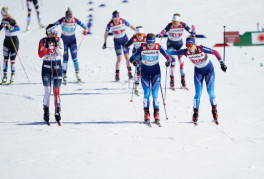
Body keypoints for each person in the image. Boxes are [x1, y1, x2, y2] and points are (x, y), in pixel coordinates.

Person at [166, 36, 227, 125]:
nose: (189, 47)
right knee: (198, 93)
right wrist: (161, 50)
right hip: (198, 72)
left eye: (190, 45)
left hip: (209, 71)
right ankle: (195, 114)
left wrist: (221, 63)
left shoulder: (201, 48)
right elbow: (173, 52)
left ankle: (214, 112)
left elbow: (215, 52)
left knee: (211, 92)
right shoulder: (186, 52)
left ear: (195, 45)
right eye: (187, 45)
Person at [129, 33, 172, 124]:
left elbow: (169, 57)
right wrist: (134, 61)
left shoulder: (158, 46)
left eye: (152, 44)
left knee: (155, 94)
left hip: (156, 72)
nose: (150, 46)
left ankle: (156, 113)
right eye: (149, 44)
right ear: (146, 43)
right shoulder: (142, 47)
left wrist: (168, 61)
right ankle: (146, 113)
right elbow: (132, 58)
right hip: (144, 72)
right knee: (147, 93)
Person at [158, 13, 195, 89]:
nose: (174, 24)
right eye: (173, 21)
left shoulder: (183, 24)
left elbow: (191, 32)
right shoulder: (170, 25)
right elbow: (164, 31)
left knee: (181, 61)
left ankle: (183, 80)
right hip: (170, 45)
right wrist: (161, 33)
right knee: (173, 60)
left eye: (175, 22)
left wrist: (193, 31)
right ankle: (172, 80)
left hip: (179, 45)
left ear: (179, 22)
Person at [54, 7, 88, 84]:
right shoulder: (62, 20)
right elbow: (52, 26)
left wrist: (85, 30)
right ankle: (64, 75)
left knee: (74, 58)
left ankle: (77, 75)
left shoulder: (75, 20)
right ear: (65, 16)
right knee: (65, 59)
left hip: (73, 42)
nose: (69, 19)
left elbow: (85, 27)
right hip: (64, 42)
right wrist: (53, 33)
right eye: (67, 18)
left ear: (72, 16)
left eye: (70, 17)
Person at [38, 24, 64, 125]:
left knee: (57, 91)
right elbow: (40, 55)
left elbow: (62, 54)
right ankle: (46, 111)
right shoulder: (42, 41)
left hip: (57, 67)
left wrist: (56, 46)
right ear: (49, 33)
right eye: (54, 34)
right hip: (46, 68)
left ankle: (57, 111)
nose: (56, 36)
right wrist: (46, 47)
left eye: (56, 33)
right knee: (48, 91)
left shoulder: (59, 40)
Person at [102, 10, 136, 81]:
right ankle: (117, 75)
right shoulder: (110, 24)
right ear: (112, 18)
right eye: (115, 19)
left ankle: (130, 74)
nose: (116, 21)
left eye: (117, 19)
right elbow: (106, 33)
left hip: (125, 41)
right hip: (117, 42)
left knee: (127, 57)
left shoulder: (122, 21)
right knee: (119, 59)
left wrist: (138, 32)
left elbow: (131, 26)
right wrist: (105, 42)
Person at [0, 6, 20, 84]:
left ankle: (12, 75)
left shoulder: (11, 20)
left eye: (1, 12)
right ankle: (5, 76)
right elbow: (1, 27)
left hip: (14, 41)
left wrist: (10, 28)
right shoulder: (3, 20)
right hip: (7, 40)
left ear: (4, 13)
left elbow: (18, 28)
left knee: (12, 59)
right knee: (5, 59)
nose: (1, 14)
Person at [124, 26, 146, 94]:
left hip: (144, 54)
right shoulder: (134, 38)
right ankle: (136, 84)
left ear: (143, 34)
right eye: (137, 35)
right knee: (138, 68)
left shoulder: (146, 38)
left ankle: (146, 84)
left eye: (140, 35)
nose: (139, 37)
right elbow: (128, 44)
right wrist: (125, 47)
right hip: (136, 53)